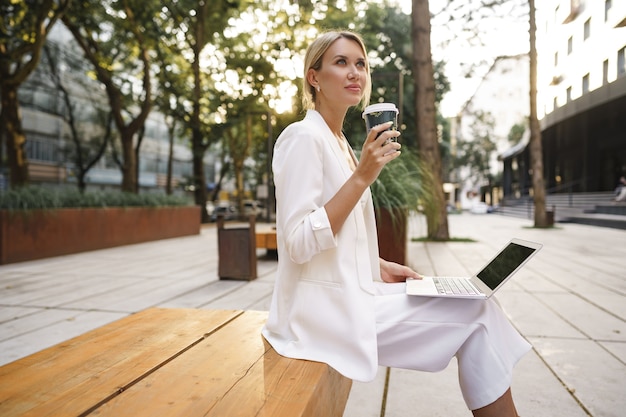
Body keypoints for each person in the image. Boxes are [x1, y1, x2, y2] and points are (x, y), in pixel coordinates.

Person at [261, 30, 530, 417]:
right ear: (314, 77)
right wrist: (362, 178)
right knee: (478, 316)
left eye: (361, 64)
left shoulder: (339, 142)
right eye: (341, 62)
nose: (355, 73)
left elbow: (343, 235)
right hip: (317, 314)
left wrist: (379, 266)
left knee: (477, 305)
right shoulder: (302, 138)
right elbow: (299, 242)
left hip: (353, 292)